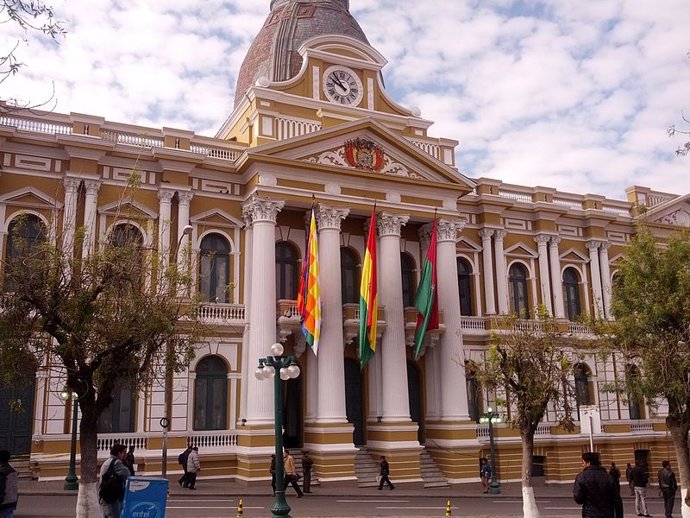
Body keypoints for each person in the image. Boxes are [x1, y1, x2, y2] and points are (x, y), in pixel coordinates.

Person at [573, 452, 614, 518]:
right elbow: (617, 500)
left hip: (589, 514)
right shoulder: (608, 477)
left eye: (583, 462)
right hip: (607, 514)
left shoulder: (581, 477)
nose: (582, 465)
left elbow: (578, 499)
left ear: (588, 463)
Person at [99, 443, 130, 518]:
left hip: (105, 497)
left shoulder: (108, 461)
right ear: (119, 453)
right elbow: (127, 473)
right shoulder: (116, 462)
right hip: (111, 499)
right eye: (124, 452)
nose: (125, 455)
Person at [0, 450, 18, 518]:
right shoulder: (13, 471)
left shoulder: (2, 472)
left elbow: (1, 489)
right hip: (12, 501)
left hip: (4, 503)